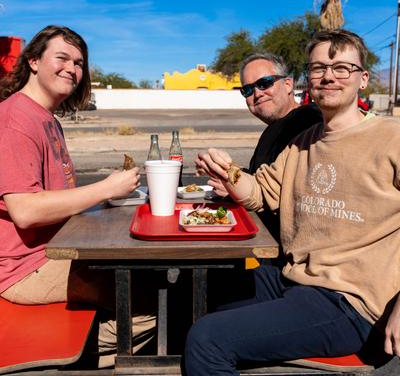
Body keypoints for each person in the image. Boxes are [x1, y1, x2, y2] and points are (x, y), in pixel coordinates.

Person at [185, 29, 400, 375]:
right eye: (318, 68)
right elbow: (260, 192)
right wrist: (228, 173)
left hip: (351, 302)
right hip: (293, 279)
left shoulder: (392, 138)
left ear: (362, 79)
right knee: (201, 288)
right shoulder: (302, 143)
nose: (328, 76)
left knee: (207, 340)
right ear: (308, 81)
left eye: (342, 68)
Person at [0, 25, 156, 367]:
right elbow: (25, 211)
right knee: (154, 302)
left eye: (79, 62)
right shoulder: (15, 120)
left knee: (151, 276)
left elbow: (60, 198)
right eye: (62, 58)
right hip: (26, 268)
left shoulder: (46, 119)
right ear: (33, 61)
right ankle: (64, 360)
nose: (72, 68)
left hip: (57, 251)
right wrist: (106, 188)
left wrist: (108, 201)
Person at [209, 53, 322, 242]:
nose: (257, 93)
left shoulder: (308, 121)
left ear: (288, 85)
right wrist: (231, 179)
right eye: (247, 89)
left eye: (264, 83)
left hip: (285, 251)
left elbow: (292, 189)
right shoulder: (273, 129)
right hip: (260, 237)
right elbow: (260, 178)